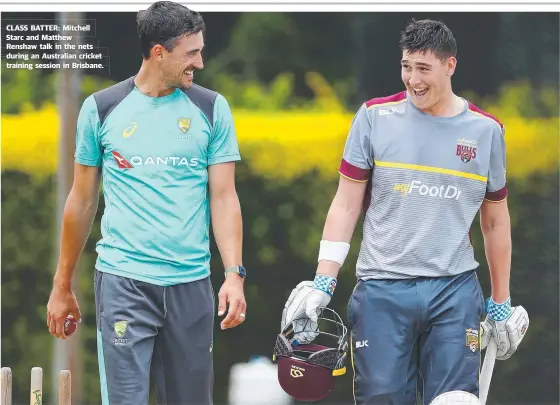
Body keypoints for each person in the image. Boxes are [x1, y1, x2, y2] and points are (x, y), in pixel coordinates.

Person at [281, 19, 528, 405]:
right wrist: (323, 282)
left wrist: (500, 302)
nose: (413, 79)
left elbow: (495, 222)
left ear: (450, 66)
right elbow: (346, 204)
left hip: (454, 291)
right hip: (381, 290)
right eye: (406, 66)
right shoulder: (373, 118)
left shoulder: (486, 131)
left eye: (423, 68)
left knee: (455, 400)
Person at [46, 2, 247, 404]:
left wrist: (233, 273)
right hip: (124, 283)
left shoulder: (212, 108)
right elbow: (81, 201)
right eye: (191, 53)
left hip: (190, 285)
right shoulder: (101, 109)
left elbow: (224, 198)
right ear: (159, 52)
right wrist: (62, 285)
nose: (200, 62)